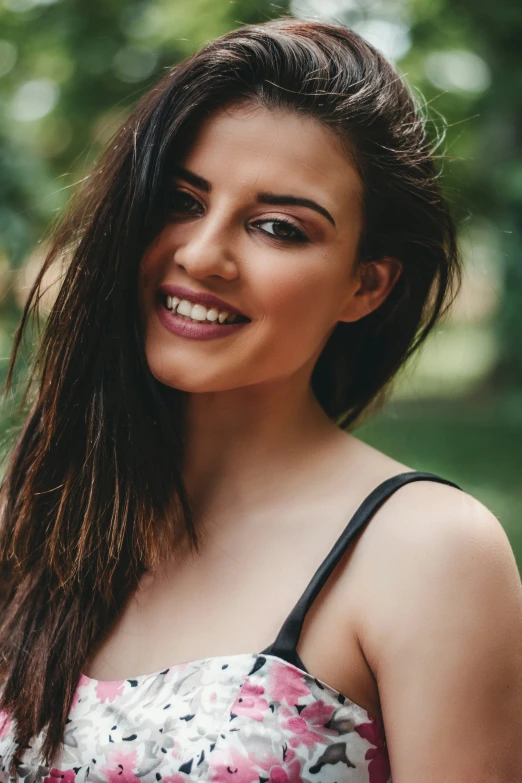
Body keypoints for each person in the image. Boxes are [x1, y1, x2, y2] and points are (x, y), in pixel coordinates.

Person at [0, 15, 520, 783]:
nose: (203, 254)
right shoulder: (35, 504)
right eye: (180, 199)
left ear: (365, 284)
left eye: (277, 227)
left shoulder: (426, 554)